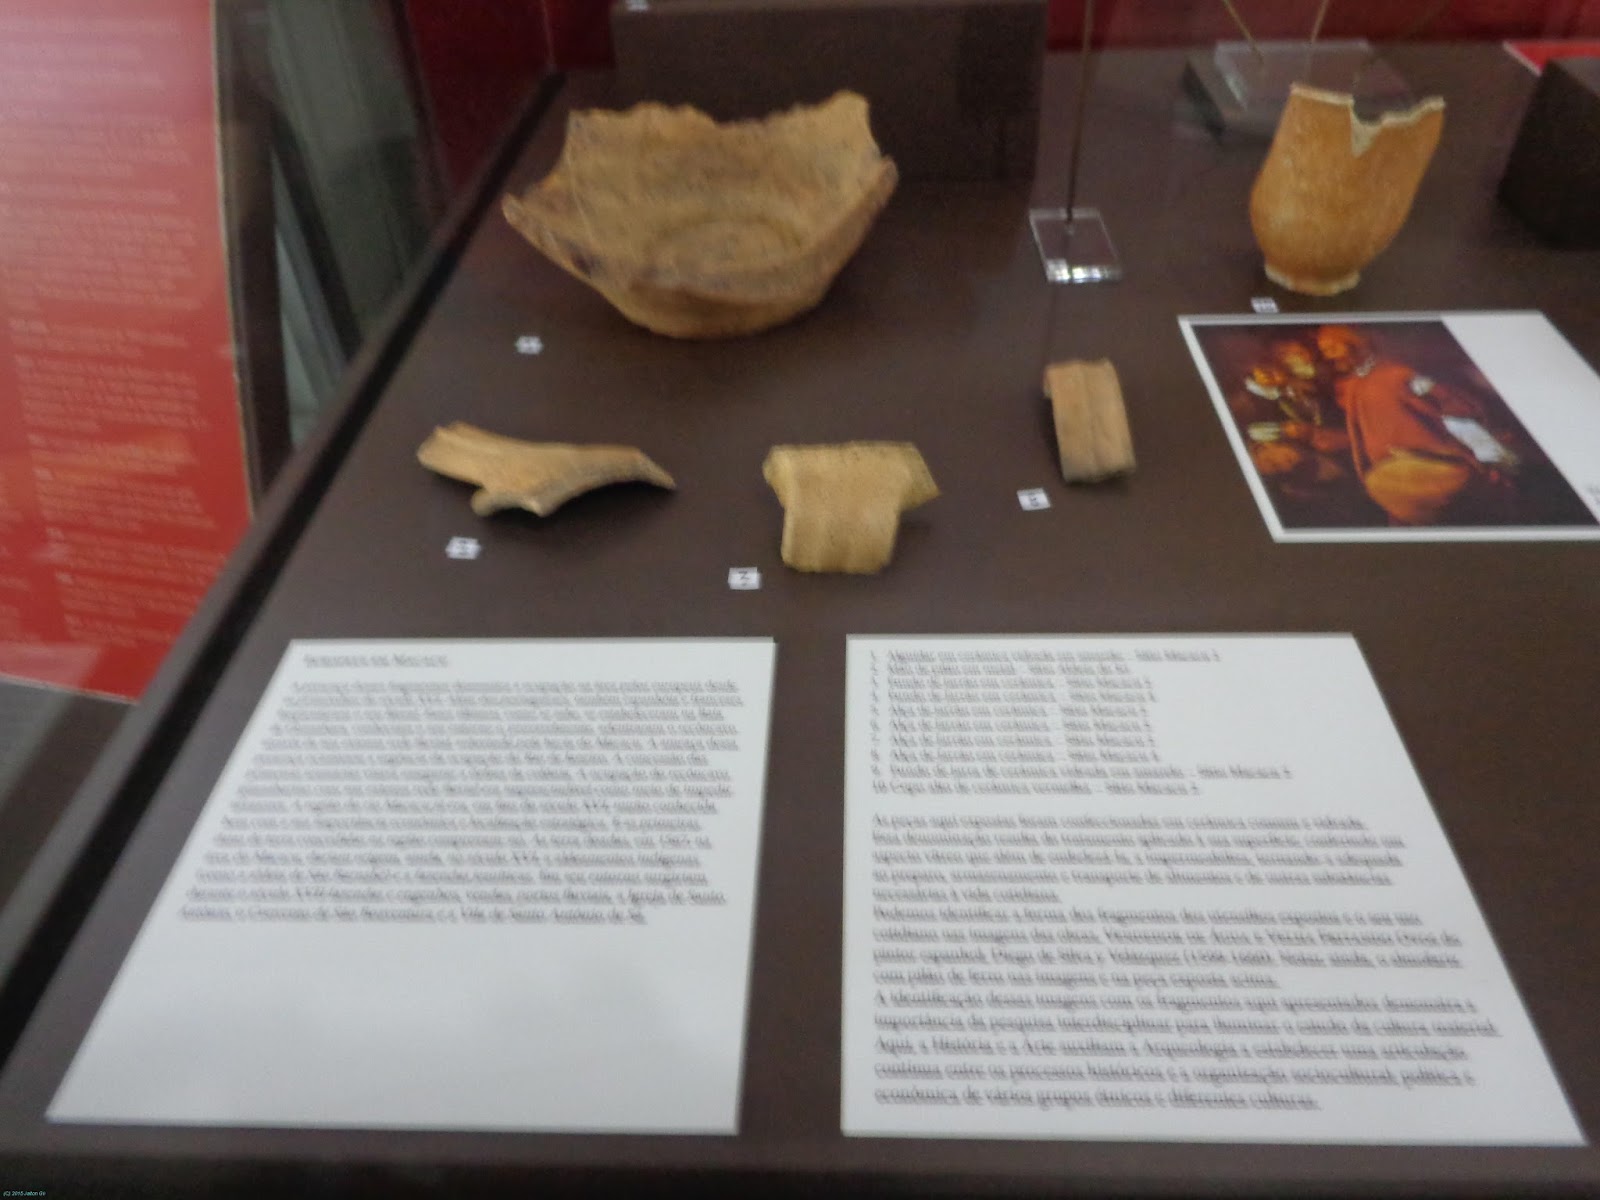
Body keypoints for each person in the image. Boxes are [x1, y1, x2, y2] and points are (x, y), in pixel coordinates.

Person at [1315, 324, 1514, 525]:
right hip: (1397, 489)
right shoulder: (1354, 387)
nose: (1329, 356)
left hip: (1435, 475)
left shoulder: (1399, 376)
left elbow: (1453, 407)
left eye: (1333, 347)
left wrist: (1491, 455)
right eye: (1325, 351)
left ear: (1356, 343)